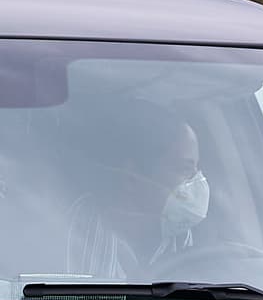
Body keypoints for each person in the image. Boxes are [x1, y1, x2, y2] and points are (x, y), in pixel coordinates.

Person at [66, 100, 209, 278]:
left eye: (196, 170)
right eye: (184, 169)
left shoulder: (179, 232)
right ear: (131, 178)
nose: (197, 182)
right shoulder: (86, 226)